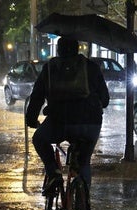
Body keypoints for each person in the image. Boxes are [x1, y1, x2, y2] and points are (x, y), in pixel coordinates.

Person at [26, 37, 110, 195]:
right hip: (90, 123)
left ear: (58, 50)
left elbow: (37, 96)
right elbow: (105, 100)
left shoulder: (50, 68)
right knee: (84, 162)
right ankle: (82, 201)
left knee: (39, 139)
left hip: (59, 121)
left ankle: (54, 173)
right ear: (78, 49)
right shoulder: (91, 67)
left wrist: (31, 118)